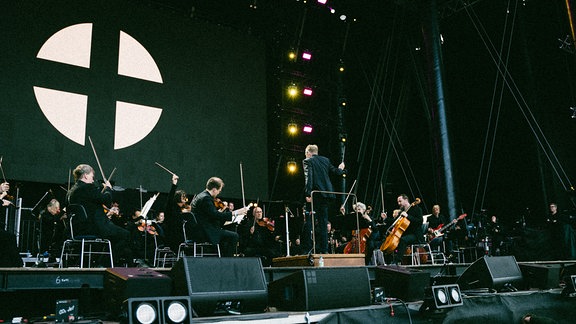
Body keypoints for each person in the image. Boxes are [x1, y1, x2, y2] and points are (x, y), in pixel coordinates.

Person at [66, 164, 133, 266]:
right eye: (92, 177)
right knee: (126, 235)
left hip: (76, 229)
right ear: (85, 176)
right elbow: (106, 200)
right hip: (93, 227)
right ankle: (104, 264)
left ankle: (100, 262)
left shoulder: (71, 191)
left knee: (116, 236)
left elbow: (94, 200)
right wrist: (108, 189)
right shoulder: (87, 188)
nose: (93, 180)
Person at [190, 177, 249, 257]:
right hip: (205, 232)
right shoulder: (206, 199)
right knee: (234, 236)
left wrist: (221, 212)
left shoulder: (200, 196)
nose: (218, 193)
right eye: (219, 190)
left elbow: (211, 214)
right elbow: (216, 215)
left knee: (226, 235)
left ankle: (221, 258)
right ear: (214, 189)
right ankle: (227, 261)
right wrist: (237, 212)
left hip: (198, 230)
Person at [302, 144, 345, 254]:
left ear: (308, 152)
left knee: (309, 222)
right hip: (326, 195)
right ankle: (324, 249)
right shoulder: (325, 160)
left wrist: (308, 194)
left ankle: (308, 249)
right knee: (323, 222)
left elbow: (309, 178)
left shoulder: (308, 161)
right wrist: (341, 169)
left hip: (315, 194)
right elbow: (336, 172)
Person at [392, 194, 423, 265]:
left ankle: (397, 261)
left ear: (406, 200)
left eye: (400, 201)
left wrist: (408, 216)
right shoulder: (401, 212)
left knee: (403, 240)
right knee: (394, 240)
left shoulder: (417, 209)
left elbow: (419, 221)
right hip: (406, 234)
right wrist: (385, 219)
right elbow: (394, 222)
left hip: (416, 235)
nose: (399, 203)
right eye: (398, 202)